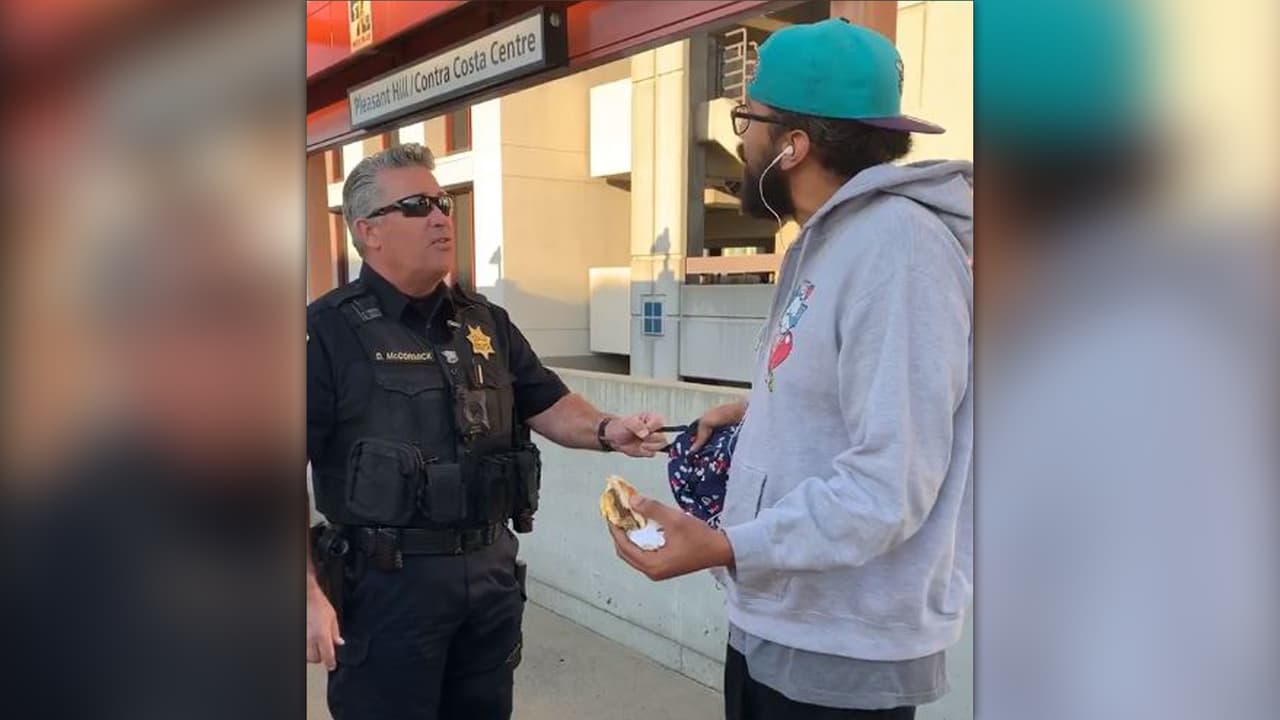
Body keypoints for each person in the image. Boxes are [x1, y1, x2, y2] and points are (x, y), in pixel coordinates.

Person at [607, 19, 973, 720]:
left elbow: (891, 485)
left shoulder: (899, 250)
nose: (741, 138)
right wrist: (758, 412)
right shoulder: (833, 243)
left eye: (748, 119)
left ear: (793, 145)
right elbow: (864, 398)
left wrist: (724, 544)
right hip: (780, 618)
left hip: (841, 649)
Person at [307, 143, 667, 720]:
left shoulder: (484, 322)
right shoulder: (324, 334)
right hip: (386, 588)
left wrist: (608, 428)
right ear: (368, 231)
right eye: (417, 205)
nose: (440, 216)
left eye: (442, 202)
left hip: (489, 578)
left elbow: (546, 401)